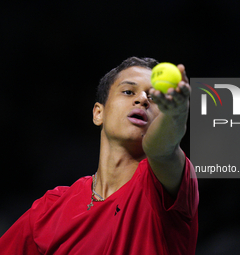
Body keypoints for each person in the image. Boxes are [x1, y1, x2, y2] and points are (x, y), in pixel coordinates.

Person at [0, 57, 199, 255]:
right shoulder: (50, 209)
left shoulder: (164, 184)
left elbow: (161, 149)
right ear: (98, 113)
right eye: (128, 91)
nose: (142, 99)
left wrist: (175, 115)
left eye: (154, 97)